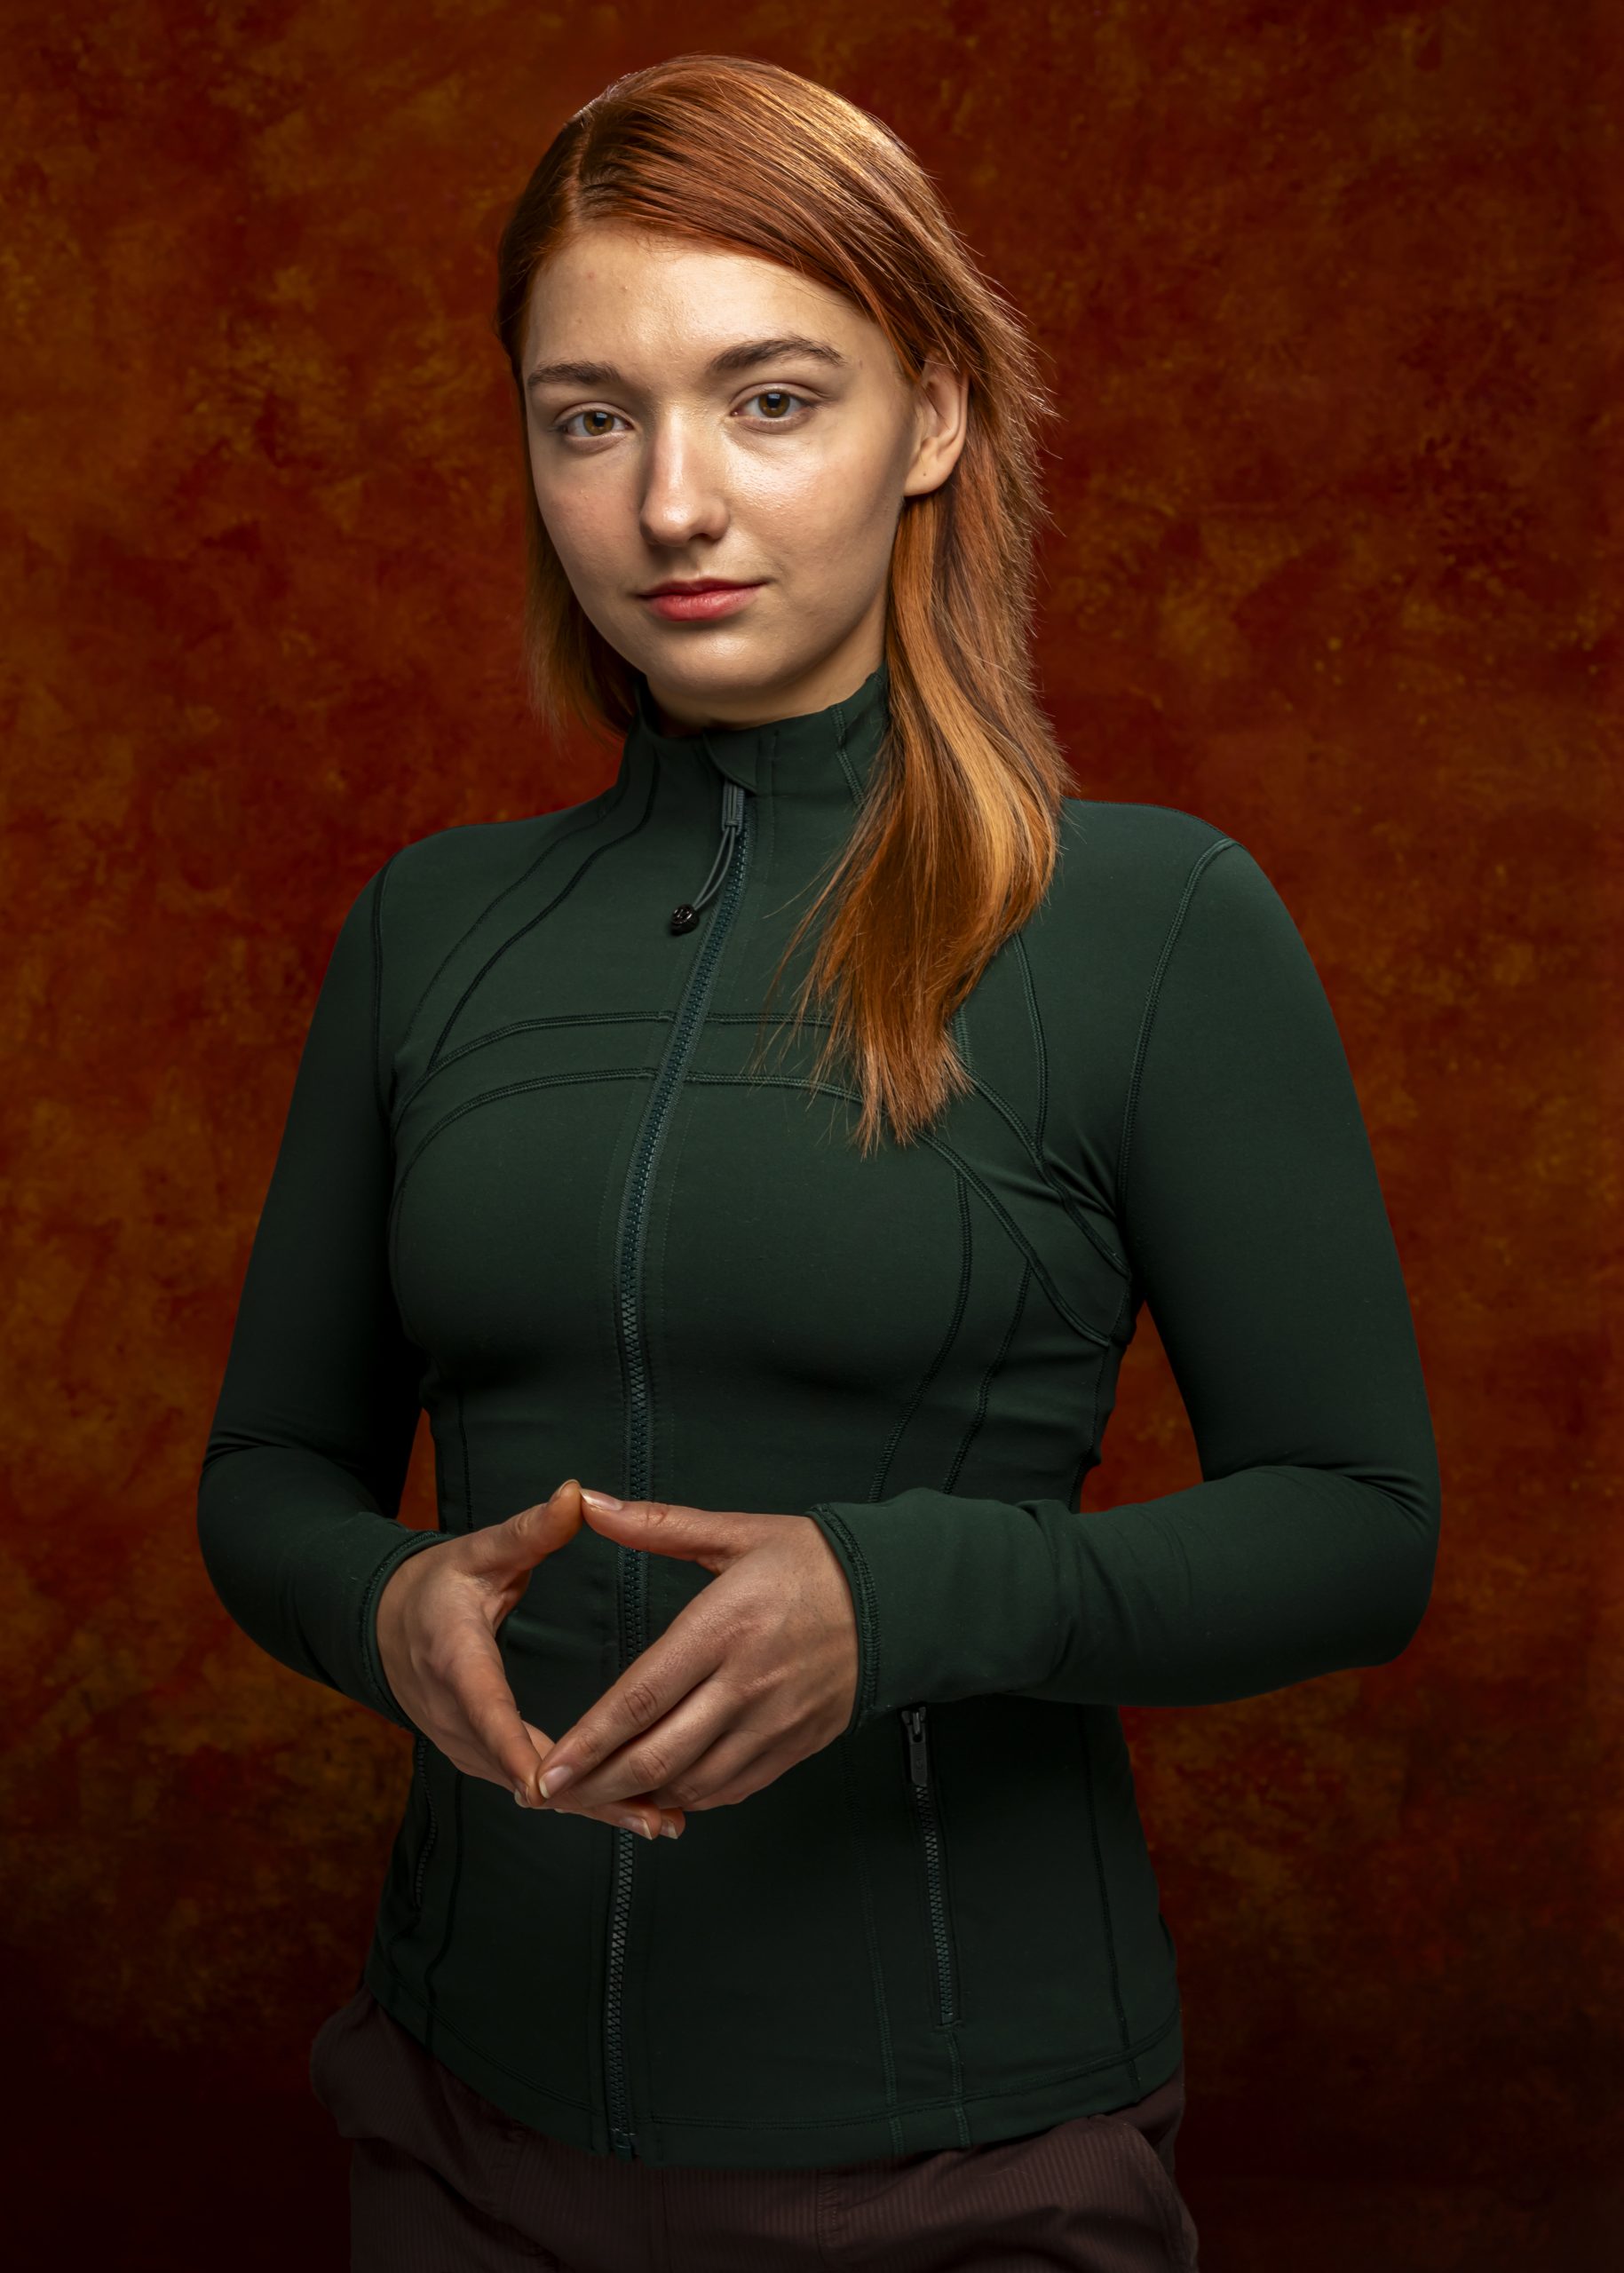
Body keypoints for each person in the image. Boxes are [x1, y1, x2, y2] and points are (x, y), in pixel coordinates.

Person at [196, 51, 1441, 2273]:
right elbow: (270, 1468)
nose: (673, 502)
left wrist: (908, 1597)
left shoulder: (1151, 922)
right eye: (592, 418)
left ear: (933, 413)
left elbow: (1360, 1529)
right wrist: (377, 1603)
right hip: (455, 2128)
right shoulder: (431, 928)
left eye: (769, 400)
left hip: (963, 2168)